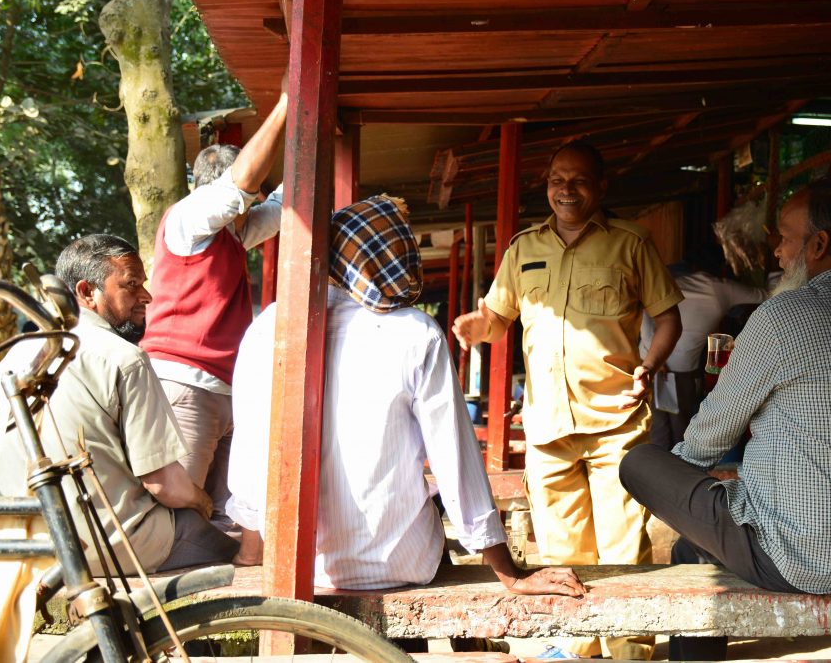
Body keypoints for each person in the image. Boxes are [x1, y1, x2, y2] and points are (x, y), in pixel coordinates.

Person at [619, 180, 831, 660]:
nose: (777, 252)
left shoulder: (784, 315)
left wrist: (684, 484)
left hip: (800, 561)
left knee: (639, 463)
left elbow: (705, 438)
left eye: (784, 237)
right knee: (693, 550)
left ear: (818, 245)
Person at [226, 196, 585, 602]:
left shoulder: (267, 329)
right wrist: (508, 574)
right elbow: (455, 461)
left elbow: (250, 458)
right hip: (400, 565)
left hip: (301, 567)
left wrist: (254, 553)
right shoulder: (415, 332)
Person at [452, 141, 683, 661]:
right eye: (557, 179)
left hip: (616, 422)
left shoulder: (631, 243)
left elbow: (668, 317)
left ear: (600, 188)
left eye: (578, 180)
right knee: (562, 554)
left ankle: (628, 652)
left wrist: (650, 362)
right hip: (547, 427)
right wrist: (477, 325)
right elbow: (497, 317)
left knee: (623, 551)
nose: (566, 189)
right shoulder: (523, 249)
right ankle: (580, 650)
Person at [0, 235, 238, 575]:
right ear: (87, 292)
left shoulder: (17, 354)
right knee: (238, 550)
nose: (146, 297)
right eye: (131, 285)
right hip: (104, 546)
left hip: (30, 539)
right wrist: (202, 501)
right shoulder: (124, 358)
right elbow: (164, 485)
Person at [140, 85, 288, 529]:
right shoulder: (187, 218)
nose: (252, 206)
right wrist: (284, 104)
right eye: (247, 198)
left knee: (223, 520)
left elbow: (285, 203)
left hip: (224, 391)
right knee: (177, 519)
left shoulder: (234, 234)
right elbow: (242, 190)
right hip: (183, 385)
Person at [639, 243, 768, 449]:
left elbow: (643, 311)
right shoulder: (721, 288)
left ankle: (657, 475)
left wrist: (651, 358)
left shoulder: (670, 281)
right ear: (722, 266)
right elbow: (765, 295)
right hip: (682, 371)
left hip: (649, 364)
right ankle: (679, 475)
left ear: (690, 264)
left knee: (657, 431)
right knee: (683, 432)